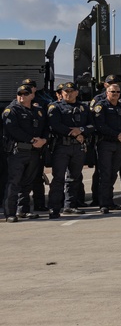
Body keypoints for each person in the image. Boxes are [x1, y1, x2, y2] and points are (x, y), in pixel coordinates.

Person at [46, 83, 90, 218]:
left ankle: (70, 205)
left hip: (78, 147)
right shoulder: (55, 107)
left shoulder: (83, 107)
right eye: (66, 91)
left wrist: (82, 130)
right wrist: (75, 133)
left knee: (74, 178)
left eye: (71, 91)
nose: (68, 94)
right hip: (61, 147)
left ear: (76, 92)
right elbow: (55, 125)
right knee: (58, 178)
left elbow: (92, 124)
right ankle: (54, 207)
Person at [3, 85, 46, 222]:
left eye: (25, 93)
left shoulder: (38, 110)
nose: (22, 96)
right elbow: (13, 129)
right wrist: (32, 140)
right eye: (19, 94)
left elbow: (45, 127)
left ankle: (24, 210)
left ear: (32, 95)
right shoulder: (11, 110)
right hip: (18, 151)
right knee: (14, 183)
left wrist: (44, 140)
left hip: (33, 151)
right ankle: (10, 213)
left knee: (27, 183)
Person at [92, 83, 121, 214]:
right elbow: (100, 126)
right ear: (107, 92)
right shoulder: (101, 106)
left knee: (113, 174)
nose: (115, 94)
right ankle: (103, 203)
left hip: (120, 145)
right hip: (106, 144)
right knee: (104, 174)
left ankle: (110, 202)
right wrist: (117, 135)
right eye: (112, 92)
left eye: (117, 92)